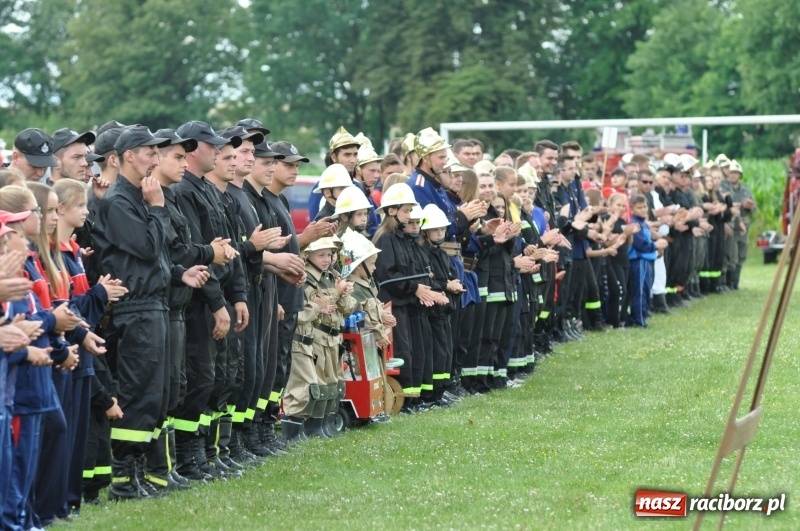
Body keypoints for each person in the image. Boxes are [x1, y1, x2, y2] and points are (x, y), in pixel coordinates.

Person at [92, 125, 209, 500]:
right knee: (139, 394)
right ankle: (124, 478)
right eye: (150, 153)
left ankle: (139, 470)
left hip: (156, 304)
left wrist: (179, 273)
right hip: (136, 310)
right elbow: (145, 247)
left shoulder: (140, 197)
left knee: (159, 396)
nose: (155, 160)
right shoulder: (120, 202)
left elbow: (155, 259)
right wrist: (158, 209)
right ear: (129, 156)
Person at [171, 120, 240, 482]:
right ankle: (188, 457)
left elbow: (226, 248)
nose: (217, 151)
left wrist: (237, 295)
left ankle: (205, 453)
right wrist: (217, 302)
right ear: (194, 148)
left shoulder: (208, 190)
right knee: (198, 379)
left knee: (215, 378)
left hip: (218, 293)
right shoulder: (185, 191)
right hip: (198, 298)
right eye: (212, 146)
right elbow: (201, 255)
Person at [265, 141, 336, 436]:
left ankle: (271, 432)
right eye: (289, 164)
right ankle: (265, 434)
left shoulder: (279, 201)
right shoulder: (264, 201)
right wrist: (306, 237)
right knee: (272, 372)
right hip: (275, 297)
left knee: (278, 370)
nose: (295, 170)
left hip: (286, 297)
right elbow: (269, 254)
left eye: (297, 165)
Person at [304, 236, 356, 437]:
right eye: (321, 255)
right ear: (309, 256)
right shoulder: (307, 277)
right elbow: (317, 306)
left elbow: (348, 309)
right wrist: (336, 292)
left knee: (334, 383)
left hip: (335, 337)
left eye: (330, 254)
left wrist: (343, 294)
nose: (327, 259)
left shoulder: (332, 275)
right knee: (320, 384)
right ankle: (314, 426)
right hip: (318, 336)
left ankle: (326, 423)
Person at [626, 195, 668, 328]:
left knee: (646, 289)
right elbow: (640, 244)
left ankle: (642, 315)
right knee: (640, 290)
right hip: (640, 260)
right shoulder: (635, 224)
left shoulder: (643, 223)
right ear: (632, 209)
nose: (643, 210)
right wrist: (656, 245)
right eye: (639, 207)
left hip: (648, 259)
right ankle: (639, 319)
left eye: (645, 207)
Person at [720, 160, 755, 290]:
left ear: (740, 175)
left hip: (744, 223)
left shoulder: (745, 189)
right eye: (731, 172)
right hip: (731, 223)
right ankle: (727, 282)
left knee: (741, 253)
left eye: (736, 173)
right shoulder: (724, 187)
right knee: (730, 254)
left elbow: (753, 206)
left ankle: (735, 282)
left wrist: (749, 205)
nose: (733, 175)